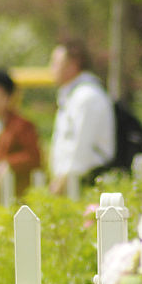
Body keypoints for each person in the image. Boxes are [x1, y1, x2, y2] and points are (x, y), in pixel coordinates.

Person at [47, 39, 115, 195]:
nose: (52, 69)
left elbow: (81, 146)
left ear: (73, 65)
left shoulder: (87, 97)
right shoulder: (72, 95)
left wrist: (62, 181)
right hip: (72, 183)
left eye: (56, 63)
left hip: (87, 183)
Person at [0, 68, 42, 204]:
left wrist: (9, 163)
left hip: (11, 197)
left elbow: (34, 157)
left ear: (9, 97)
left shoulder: (22, 125)